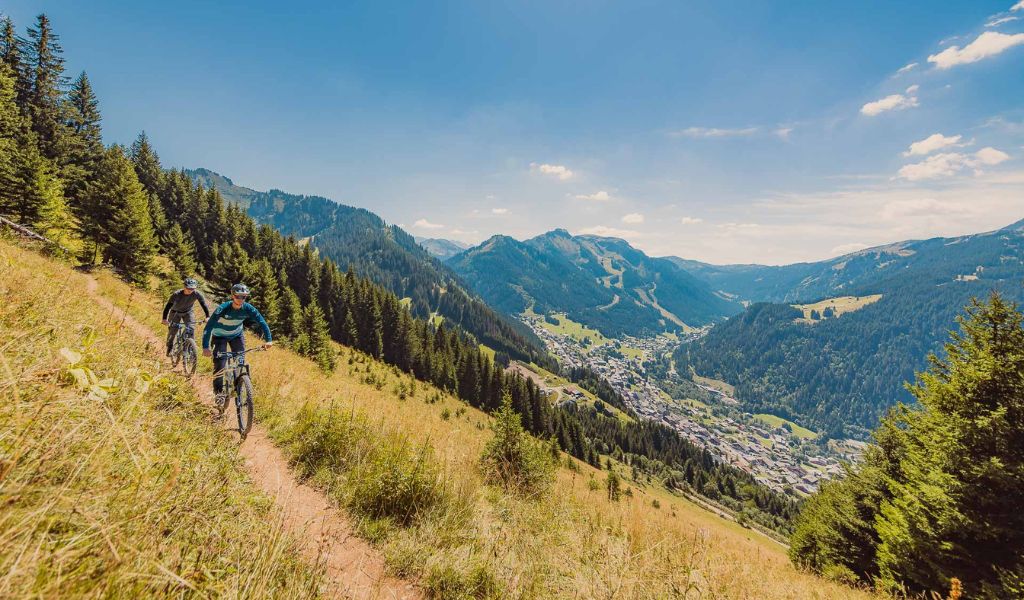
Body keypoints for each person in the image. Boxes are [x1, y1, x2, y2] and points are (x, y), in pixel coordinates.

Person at [202, 283, 273, 401]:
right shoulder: (222, 308)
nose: (240, 299)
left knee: (240, 361)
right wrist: (205, 347)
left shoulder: (248, 308)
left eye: (243, 297)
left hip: (236, 335)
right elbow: (208, 327)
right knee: (220, 364)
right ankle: (219, 394)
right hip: (219, 336)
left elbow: (262, 322)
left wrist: (269, 340)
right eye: (238, 296)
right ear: (232, 296)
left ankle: (237, 386)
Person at [162, 277, 211, 356]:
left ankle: (188, 349)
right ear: (184, 287)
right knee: (173, 331)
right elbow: (168, 307)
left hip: (188, 312)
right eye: (189, 288)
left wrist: (207, 316)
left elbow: (203, 305)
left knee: (191, 329)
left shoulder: (196, 294)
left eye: (193, 289)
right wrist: (164, 319)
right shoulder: (176, 294)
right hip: (175, 313)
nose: (191, 290)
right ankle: (170, 348)